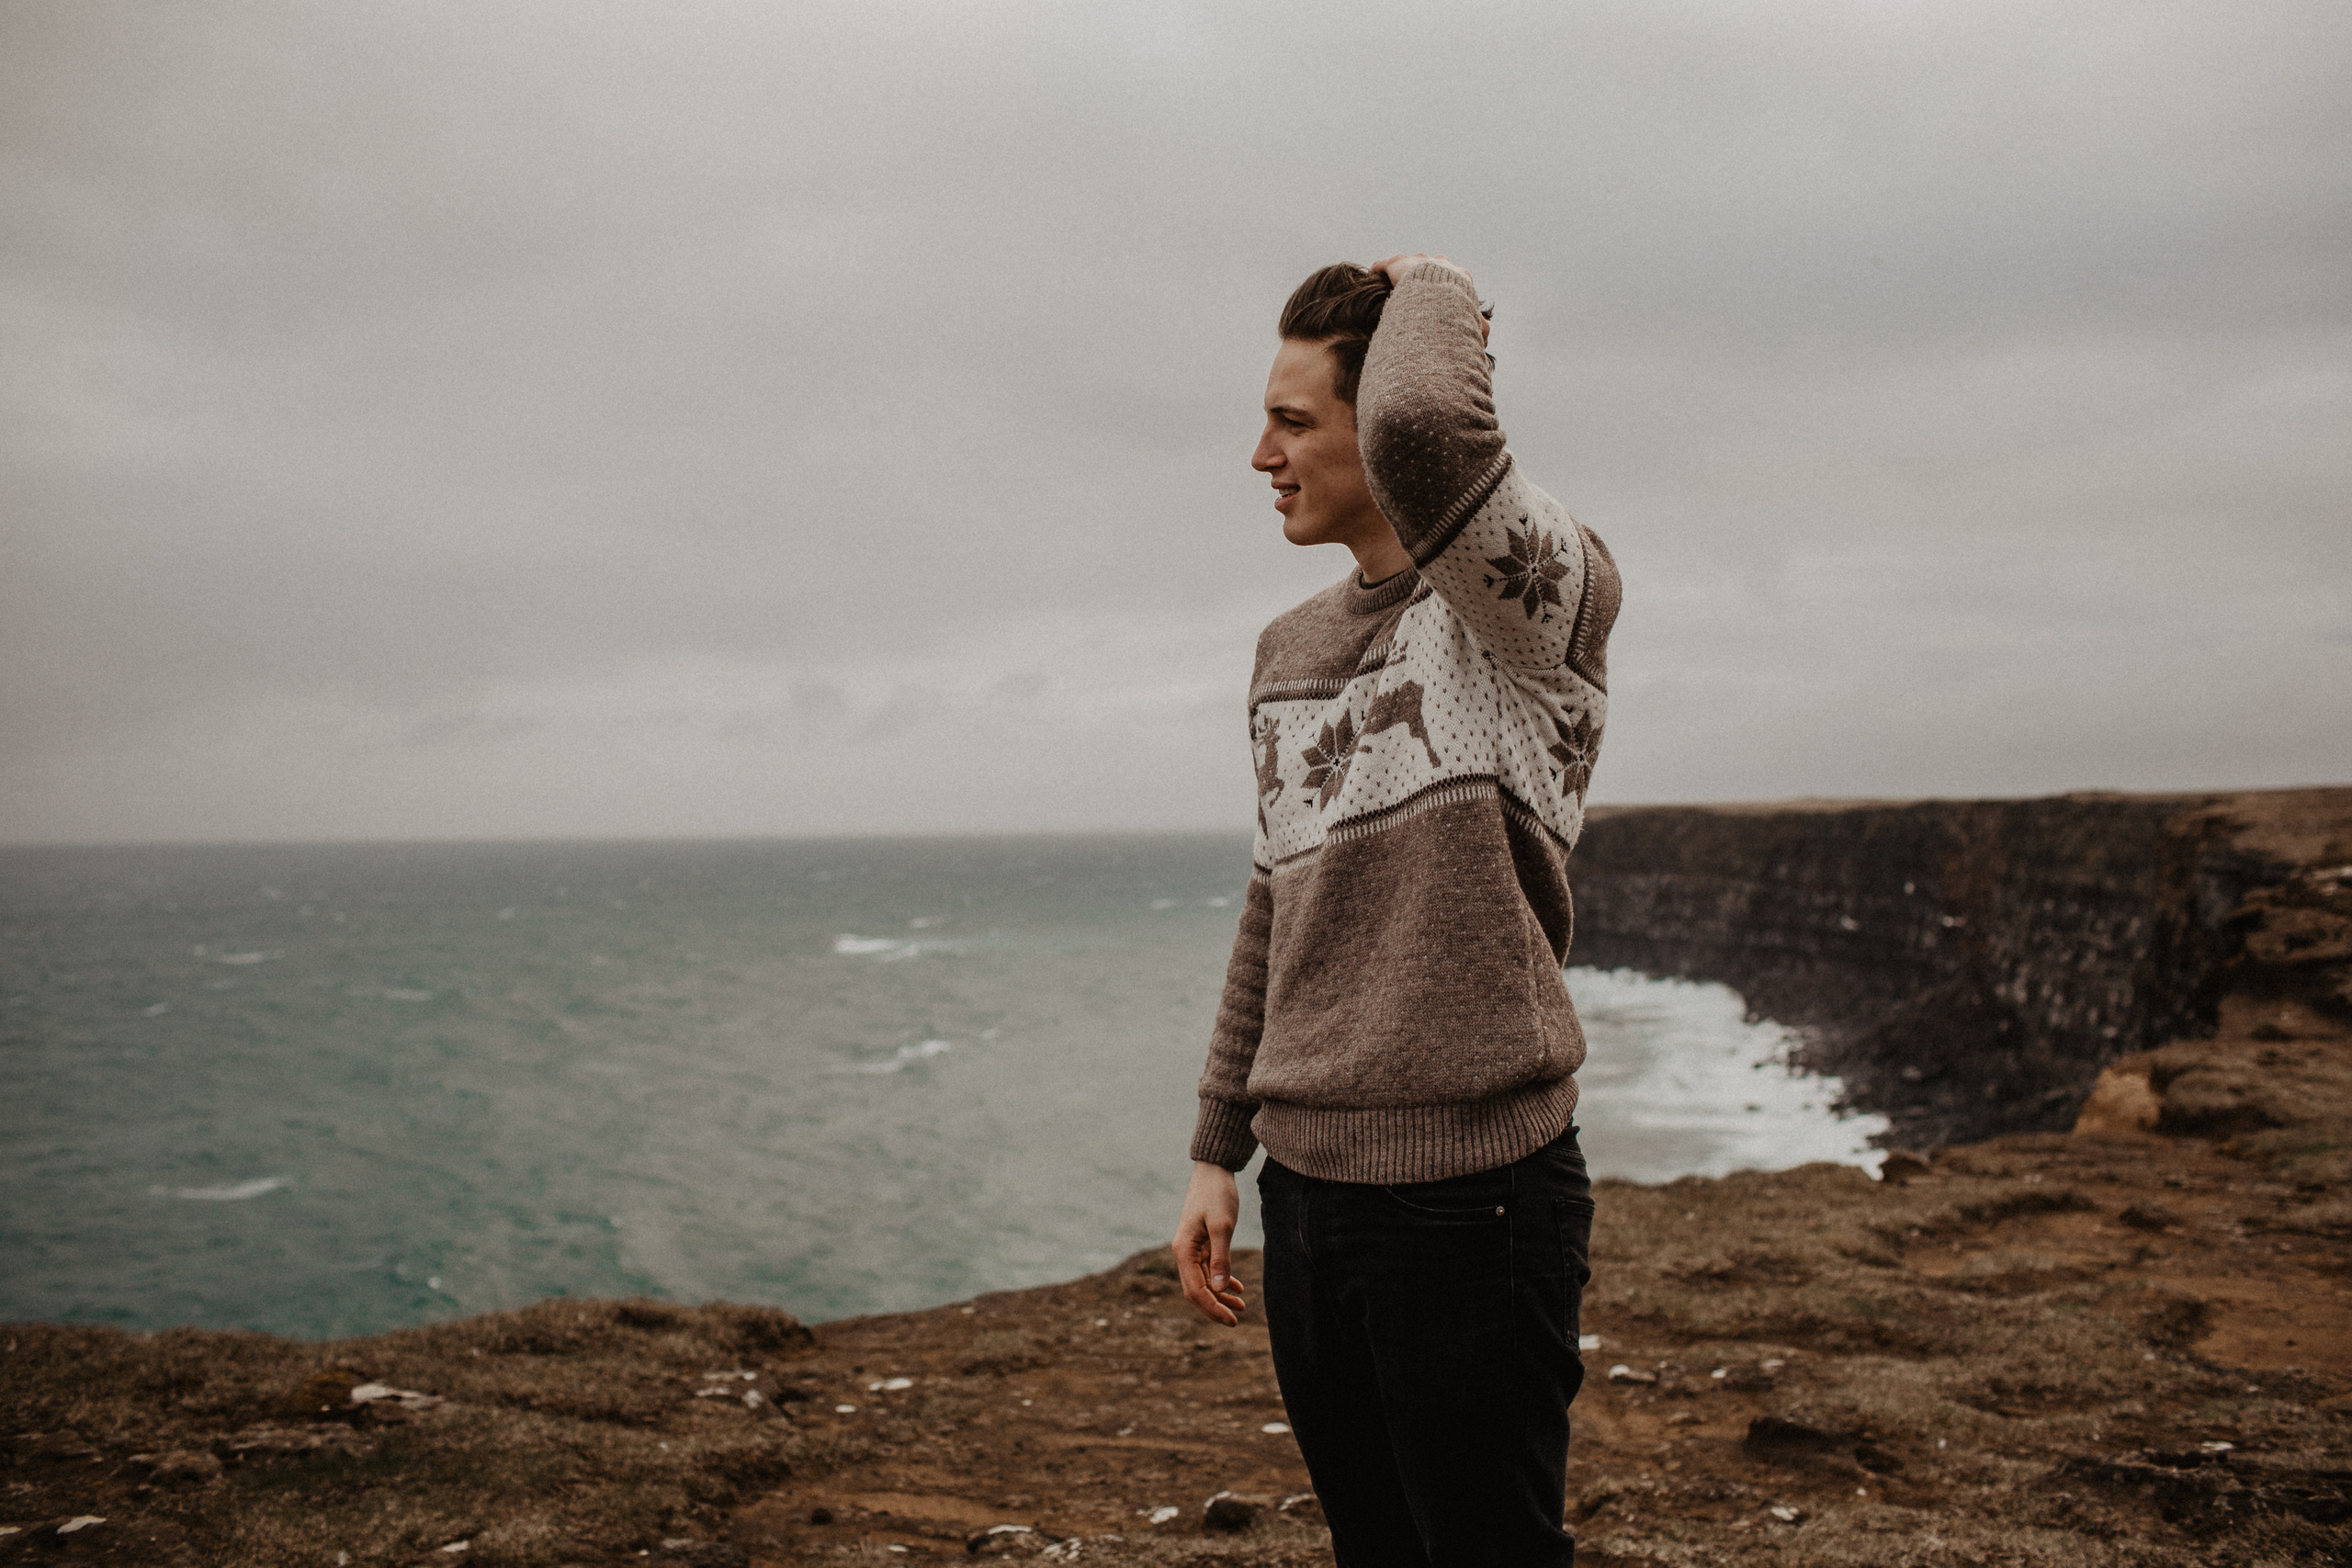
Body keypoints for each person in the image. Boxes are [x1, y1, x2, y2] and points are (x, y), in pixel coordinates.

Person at [1170, 253, 1621, 1567]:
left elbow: (1431, 427)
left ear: (1375, 426)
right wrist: (1219, 1148)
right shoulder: (1286, 650)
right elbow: (1278, 902)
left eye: (1295, 420)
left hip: (1475, 1201)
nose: (1260, 453)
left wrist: (1435, 284)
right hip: (1311, 1194)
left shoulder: (1534, 607)